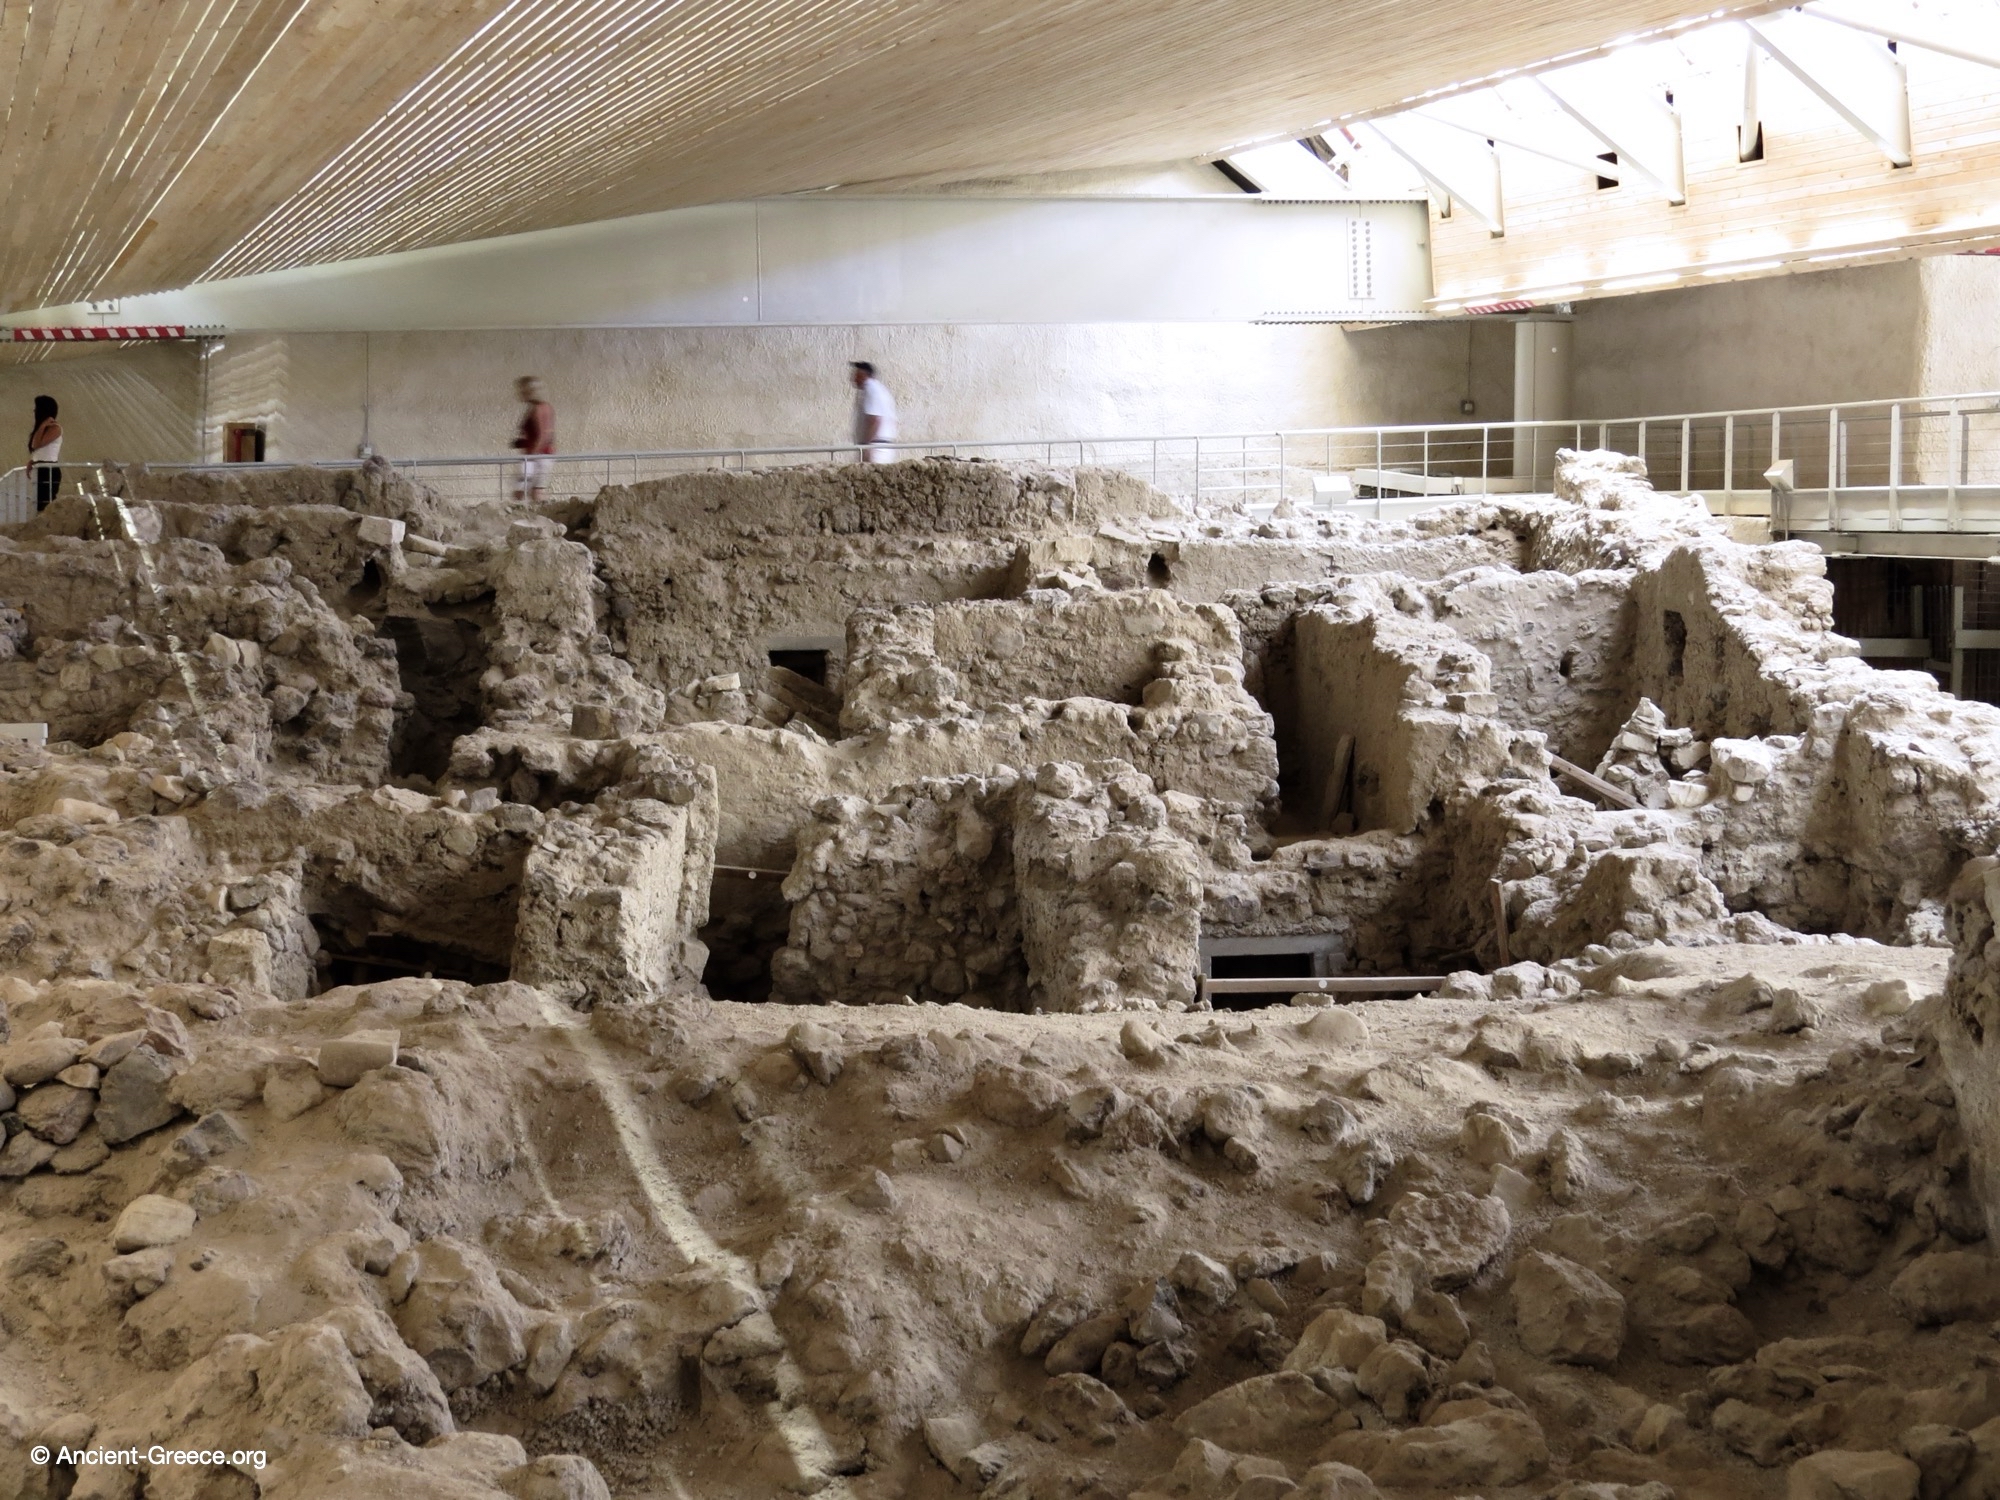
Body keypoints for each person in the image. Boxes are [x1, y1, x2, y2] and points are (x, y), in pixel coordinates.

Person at [511, 377, 554, 501]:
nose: (520, 393)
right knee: (533, 489)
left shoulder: (539, 409)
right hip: (540, 454)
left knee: (527, 489)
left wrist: (532, 455)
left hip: (536, 455)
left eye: (523, 390)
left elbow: (543, 436)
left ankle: (519, 515)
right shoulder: (543, 407)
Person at [849, 361, 898, 463]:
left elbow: (874, 419)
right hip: (879, 445)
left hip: (875, 447)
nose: (853, 378)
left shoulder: (871, 389)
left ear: (863, 375)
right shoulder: (879, 389)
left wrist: (867, 447)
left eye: (856, 374)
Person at [28, 395, 61, 511]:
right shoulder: (43, 429)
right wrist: (33, 461)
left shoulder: (55, 428)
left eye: (37, 408)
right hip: (41, 469)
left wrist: (42, 425)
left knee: (45, 505)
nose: (34, 411)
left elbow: (36, 444)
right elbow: (39, 449)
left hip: (49, 470)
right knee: (39, 504)